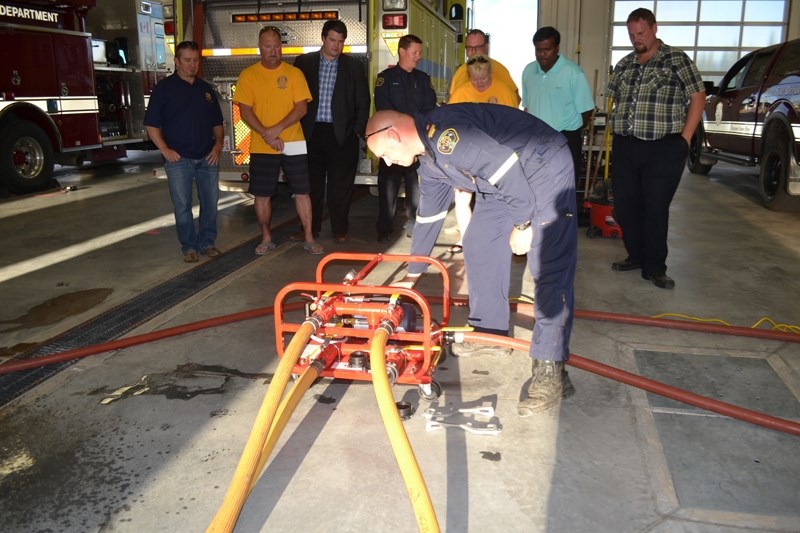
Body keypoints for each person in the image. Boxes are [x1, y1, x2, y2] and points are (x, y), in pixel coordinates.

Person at [365, 104, 578, 415]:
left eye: (383, 153)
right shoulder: (430, 161)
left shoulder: (449, 137)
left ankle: (551, 369)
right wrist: (413, 274)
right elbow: (429, 218)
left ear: (394, 135)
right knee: (480, 241)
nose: (386, 161)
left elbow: (503, 166)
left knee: (548, 263)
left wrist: (523, 225)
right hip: (503, 180)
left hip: (540, 165)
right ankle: (490, 333)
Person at [606, 8, 705, 289]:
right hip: (626, 145)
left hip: (663, 147)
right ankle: (636, 256)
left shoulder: (676, 59)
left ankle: (655, 267)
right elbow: (614, 100)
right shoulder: (625, 64)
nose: (636, 39)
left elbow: (698, 96)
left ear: (654, 28)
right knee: (625, 207)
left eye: (641, 33)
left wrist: (685, 139)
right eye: (632, 35)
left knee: (655, 208)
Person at [233, 26, 324, 256]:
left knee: (303, 192)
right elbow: (245, 111)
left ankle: (309, 237)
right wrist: (267, 134)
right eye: (267, 45)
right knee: (262, 194)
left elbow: (301, 108)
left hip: (294, 142)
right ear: (259, 47)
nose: (273, 50)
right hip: (262, 144)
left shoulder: (294, 74)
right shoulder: (248, 75)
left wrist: (276, 130)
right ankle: (266, 238)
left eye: (276, 45)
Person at [144, 41, 224, 263]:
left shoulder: (205, 89)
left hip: (207, 157)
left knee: (210, 203)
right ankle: (188, 246)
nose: (192, 65)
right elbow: (151, 125)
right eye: (187, 60)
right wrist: (165, 150)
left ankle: (207, 242)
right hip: (179, 160)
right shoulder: (164, 90)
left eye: (196, 60)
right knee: (182, 206)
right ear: (176, 62)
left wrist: (218, 145)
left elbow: (217, 122)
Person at [293, 20, 370, 244]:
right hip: (311, 133)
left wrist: (357, 132)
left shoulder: (354, 66)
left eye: (341, 42)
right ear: (323, 38)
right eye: (333, 40)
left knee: (340, 188)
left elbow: (363, 102)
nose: (337, 46)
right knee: (310, 186)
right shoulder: (304, 62)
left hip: (342, 135)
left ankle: (339, 229)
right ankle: (309, 228)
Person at [447, 55, 519, 253]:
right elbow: (451, 125)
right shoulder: (461, 93)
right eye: (475, 80)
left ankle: (504, 238)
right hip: (466, 153)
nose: (479, 84)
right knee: (462, 198)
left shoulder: (503, 91)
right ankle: (466, 239)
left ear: (491, 75)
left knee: (501, 198)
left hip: (496, 152)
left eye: (484, 80)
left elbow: (513, 123)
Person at [373, 34, 437, 242]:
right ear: (402, 51)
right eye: (414, 52)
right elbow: (383, 110)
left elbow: (430, 108)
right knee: (388, 187)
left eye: (419, 52)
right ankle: (384, 228)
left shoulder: (423, 79)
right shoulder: (386, 79)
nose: (418, 56)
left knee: (415, 188)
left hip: (416, 144)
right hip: (393, 145)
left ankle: (413, 225)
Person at [521, 26, 595, 186]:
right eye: (538, 49)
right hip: (537, 139)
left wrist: (573, 132)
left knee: (565, 187)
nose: (542, 54)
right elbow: (527, 107)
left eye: (547, 49)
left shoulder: (573, 72)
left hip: (566, 138)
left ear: (557, 48)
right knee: (537, 186)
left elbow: (587, 110)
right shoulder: (528, 71)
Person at [448, 29, 519, 105]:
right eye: (469, 48)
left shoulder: (500, 70)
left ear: (486, 47)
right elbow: (452, 104)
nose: (473, 51)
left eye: (478, 47)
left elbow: (515, 99)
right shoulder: (460, 72)